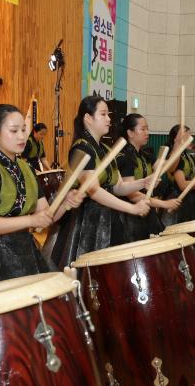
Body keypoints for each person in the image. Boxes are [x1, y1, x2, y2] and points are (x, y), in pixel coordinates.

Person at [0, 106, 83, 290]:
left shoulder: (27, 168)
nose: (21, 136)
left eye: (23, 129)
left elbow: (46, 216)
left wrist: (65, 204)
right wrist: (30, 219)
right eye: (14, 131)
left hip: (25, 251)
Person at [42, 96, 151, 269]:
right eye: (103, 114)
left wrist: (143, 182)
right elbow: (94, 191)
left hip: (110, 217)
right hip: (88, 224)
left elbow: (118, 187)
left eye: (108, 115)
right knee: (91, 277)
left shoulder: (106, 149)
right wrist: (131, 208)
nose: (109, 119)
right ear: (88, 118)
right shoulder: (81, 148)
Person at [116, 114, 180, 241]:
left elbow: (169, 168)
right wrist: (163, 204)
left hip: (146, 208)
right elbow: (132, 195)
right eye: (143, 129)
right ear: (130, 133)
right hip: (130, 216)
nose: (147, 132)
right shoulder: (125, 157)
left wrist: (177, 145)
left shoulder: (145, 154)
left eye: (147, 129)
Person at [160, 124, 195, 226]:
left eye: (190, 135)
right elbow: (182, 185)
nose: (190, 139)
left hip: (191, 200)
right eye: (187, 136)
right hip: (175, 199)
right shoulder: (174, 157)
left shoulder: (188, 156)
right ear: (177, 138)